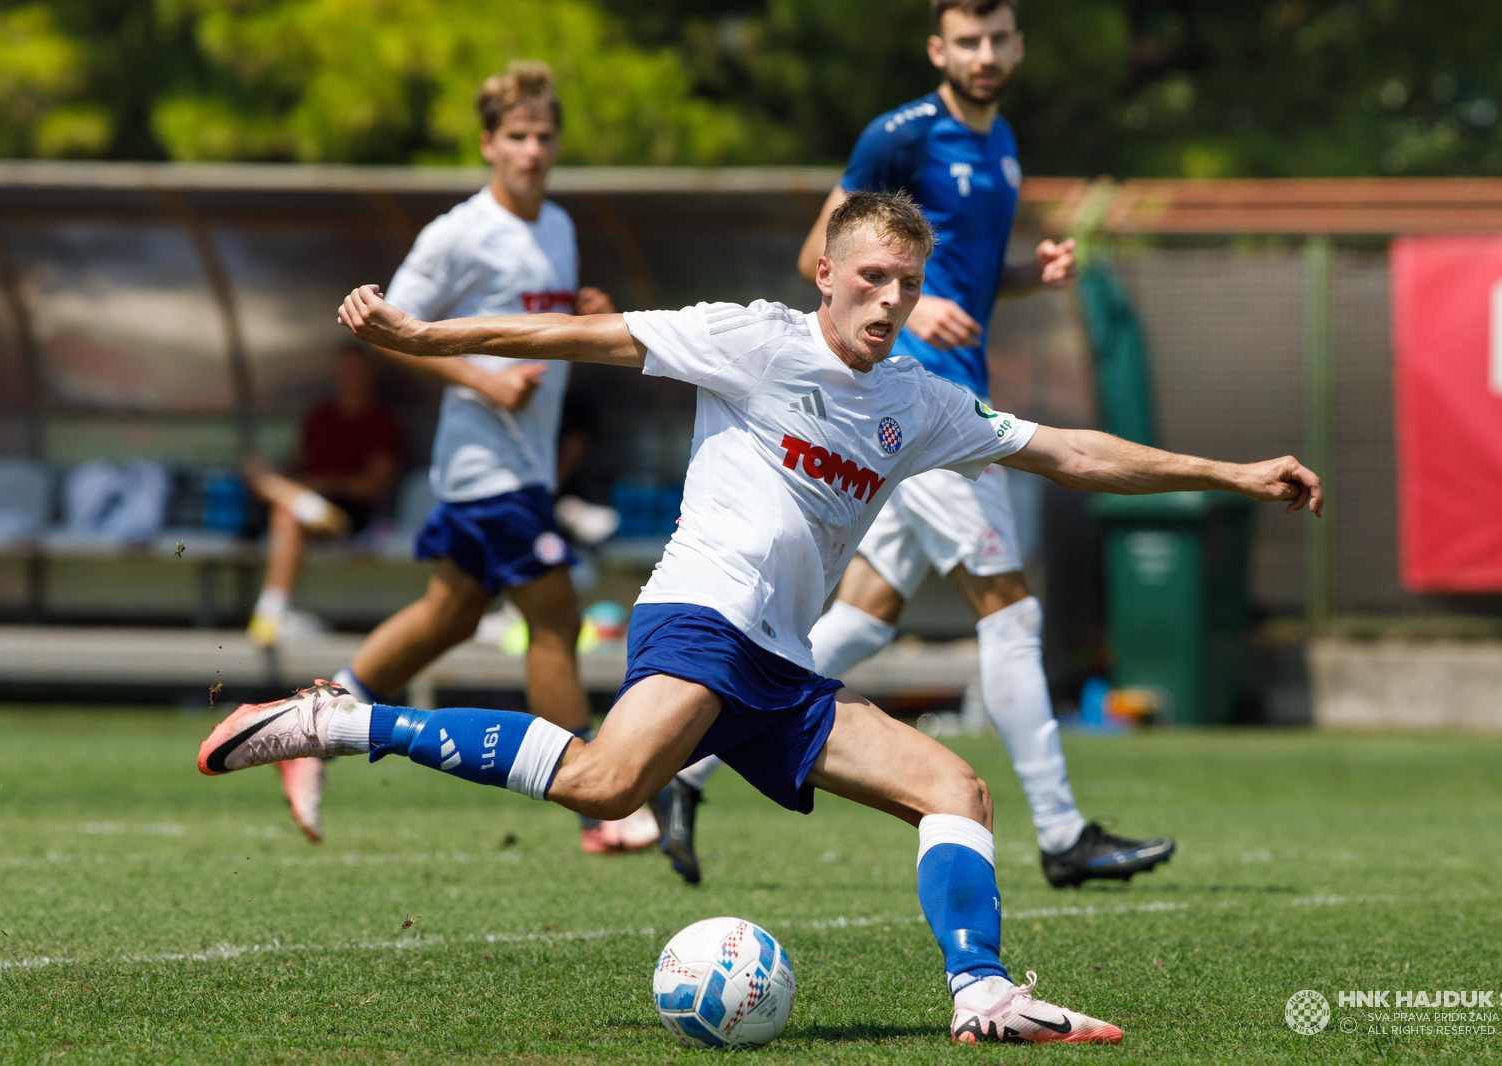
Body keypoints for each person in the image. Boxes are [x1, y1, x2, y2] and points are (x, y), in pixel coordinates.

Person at [199, 191, 1323, 1044]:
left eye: (906, 282)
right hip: (701, 613)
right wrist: (423, 338)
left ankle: (981, 990)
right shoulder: (750, 338)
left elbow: (1069, 451)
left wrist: (1228, 471)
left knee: (954, 788)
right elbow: (582, 341)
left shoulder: (917, 400)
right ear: (825, 273)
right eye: (873, 277)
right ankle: (336, 720)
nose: (890, 300)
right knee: (606, 784)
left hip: (781, 662)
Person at [655, 0, 1175, 891]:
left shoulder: (1003, 144)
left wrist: (1025, 276)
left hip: (942, 406)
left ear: (1018, 46)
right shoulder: (900, 134)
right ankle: (1059, 832)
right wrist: (915, 307)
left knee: (865, 616)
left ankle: (691, 762)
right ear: (939, 48)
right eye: (967, 41)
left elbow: (964, 274)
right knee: (1009, 607)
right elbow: (819, 254)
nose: (984, 55)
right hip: (914, 404)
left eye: (998, 39)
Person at [267, 60, 657, 855]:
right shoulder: (458, 231)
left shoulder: (561, 227)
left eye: (545, 136)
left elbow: (546, 333)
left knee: (451, 614)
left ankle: (311, 725)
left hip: (527, 463)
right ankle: (596, 808)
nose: (533, 151)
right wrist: (481, 379)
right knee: (555, 618)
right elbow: (389, 329)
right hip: (485, 465)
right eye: (517, 137)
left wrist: (590, 317)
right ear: (489, 144)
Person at [245, 344, 404, 649]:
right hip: (304, 503)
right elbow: (296, 463)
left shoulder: (383, 423)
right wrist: (276, 474)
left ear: (371, 376)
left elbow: (373, 485)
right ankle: (308, 507)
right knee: (262, 480)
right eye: (344, 372)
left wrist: (320, 485)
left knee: (283, 506)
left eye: (356, 372)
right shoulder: (320, 417)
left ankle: (270, 613)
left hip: (350, 513)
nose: (350, 379)